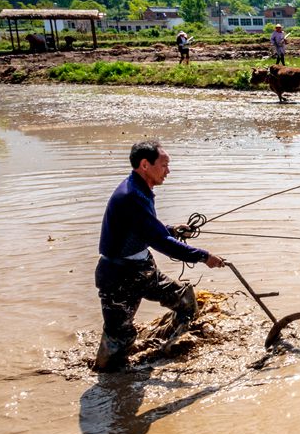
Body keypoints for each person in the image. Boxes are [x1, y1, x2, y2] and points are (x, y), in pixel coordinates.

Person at [94, 140, 225, 372]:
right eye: (164, 165)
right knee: (118, 338)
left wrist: (172, 229)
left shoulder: (141, 190)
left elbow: (147, 229)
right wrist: (205, 256)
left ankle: (171, 348)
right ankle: (109, 384)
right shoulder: (130, 196)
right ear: (145, 165)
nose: (168, 171)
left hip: (142, 268)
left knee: (185, 302)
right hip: (118, 277)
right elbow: (162, 243)